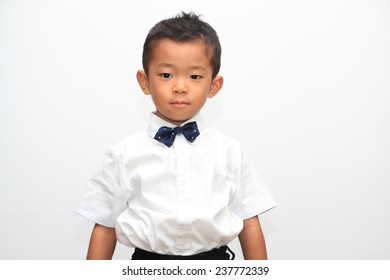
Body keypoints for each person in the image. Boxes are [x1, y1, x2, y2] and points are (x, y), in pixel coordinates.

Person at [75, 12, 276, 260]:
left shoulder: (229, 151)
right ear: (145, 81)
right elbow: (104, 226)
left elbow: (249, 220)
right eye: (166, 75)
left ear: (213, 86)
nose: (180, 86)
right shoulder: (121, 155)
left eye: (195, 76)